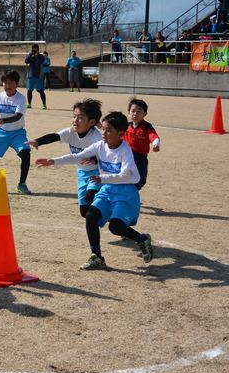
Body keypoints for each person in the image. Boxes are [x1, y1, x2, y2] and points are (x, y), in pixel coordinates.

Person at [36, 111, 153, 270]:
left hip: (125, 192)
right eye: (103, 129)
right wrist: (53, 161)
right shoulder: (100, 145)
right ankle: (96, 256)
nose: (103, 133)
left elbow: (125, 175)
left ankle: (142, 239)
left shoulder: (125, 150)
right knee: (90, 215)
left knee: (115, 227)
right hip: (107, 189)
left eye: (109, 130)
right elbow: (79, 156)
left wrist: (102, 178)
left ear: (121, 134)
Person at [26, 98, 103, 218]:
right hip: (82, 173)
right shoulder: (70, 132)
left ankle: (112, 211)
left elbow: (106, 156)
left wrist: (94, 160)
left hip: (98, 173)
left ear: (92, 122)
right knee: (84, 212)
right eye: (74, 116)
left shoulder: (96, 138)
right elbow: (55, 136)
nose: (75, 121)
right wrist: (37, 141)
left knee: (90, 196)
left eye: (80, 117)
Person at [123, 98, 160, 190]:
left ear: (145, 114)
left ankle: (131, 193)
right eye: (133, 111)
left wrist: (156, 144)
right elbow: (116, 135)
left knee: (140, 180)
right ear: (129, 112)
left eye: (139, 111)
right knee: (123, 178)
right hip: (125, 157)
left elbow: (153, 136)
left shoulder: (147, 127)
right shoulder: (125, 126)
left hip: (140, 159)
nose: (135, 113)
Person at [24, 43, 47, 109]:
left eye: (36, 48)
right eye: (33, 48)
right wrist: (30, 55)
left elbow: (42, 61)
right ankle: (29, 104)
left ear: (38, 49)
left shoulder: (40, 56)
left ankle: (44, 104)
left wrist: (37, 55)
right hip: (31, 75)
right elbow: (26, 61)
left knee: (40, 90)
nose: (34, 49)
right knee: (29, 90)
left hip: (38, 76)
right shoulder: (30, 55)